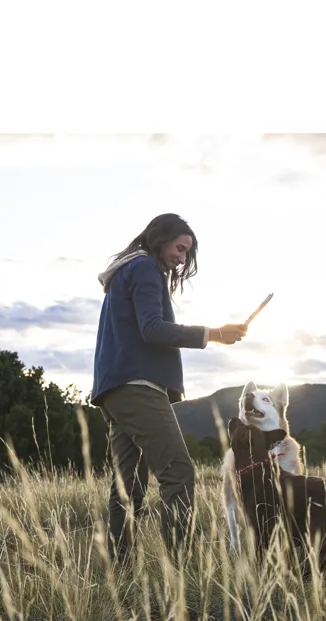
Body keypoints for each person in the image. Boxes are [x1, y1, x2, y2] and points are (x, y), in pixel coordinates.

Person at [90, 213, 247, 560]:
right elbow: (153, 329)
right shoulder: (146, 268)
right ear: (160, 238)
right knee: (178, 472)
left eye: (187, 252)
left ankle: (122, 569)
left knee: (126, 486)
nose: (182, 257)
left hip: (114, 389)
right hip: (137, 387)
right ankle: (182, 570)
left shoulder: (125, 270)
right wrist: (216, 334)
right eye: (179, 247)